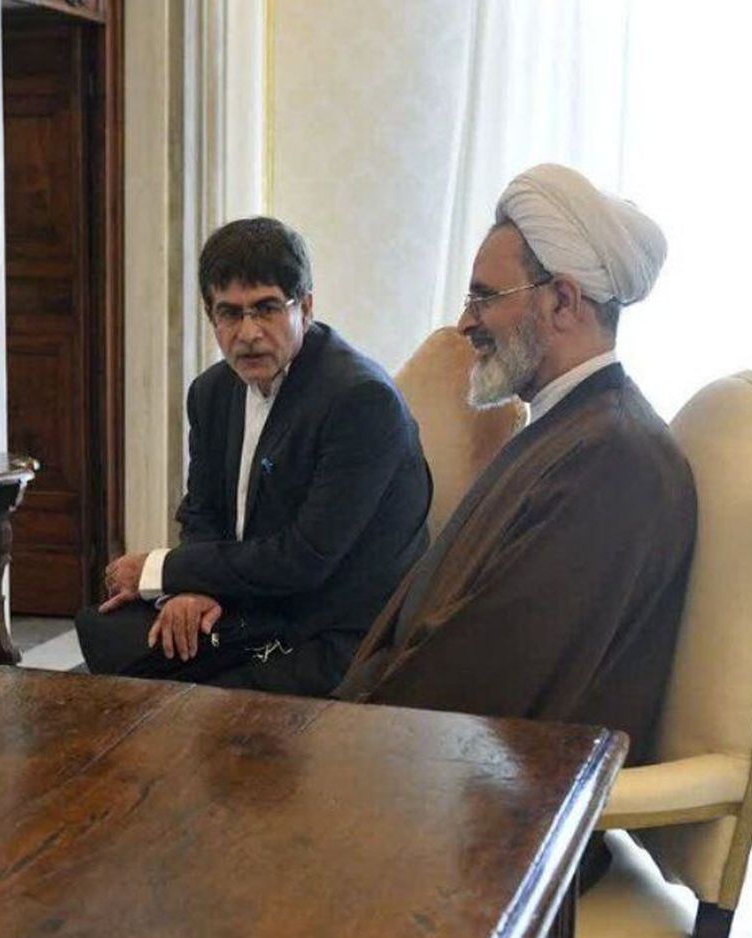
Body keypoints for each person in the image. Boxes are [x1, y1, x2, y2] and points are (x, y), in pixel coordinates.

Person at [335, 163, 696, 772]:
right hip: (432, 754)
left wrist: (344, 727)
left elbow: (488, 672)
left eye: (484, 297)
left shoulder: (612, 458)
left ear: (563, 301)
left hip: (499, 796)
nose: (464, 323)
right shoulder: (567, 427)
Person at [76, 217, 431, 696]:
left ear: (305, 306)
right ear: (211, 317)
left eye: (266, 309)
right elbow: (202, 511)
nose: (248, 333)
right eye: (229, 313)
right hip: (253, 606)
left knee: (181, 701)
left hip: (336, 629)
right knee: (104, 635)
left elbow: (305, 558)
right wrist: (192, 589)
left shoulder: (361, 401)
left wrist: (164, 570)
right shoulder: (211, 392)